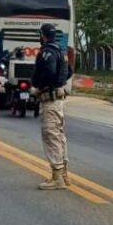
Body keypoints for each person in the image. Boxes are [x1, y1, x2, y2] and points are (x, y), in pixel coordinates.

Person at [31, 23, 73, 190]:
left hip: (50, 99)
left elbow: (48, 71)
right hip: (59, 98)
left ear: (43, 35)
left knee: (51, 135)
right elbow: (68, 72)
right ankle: (63, 173)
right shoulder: (61, 50)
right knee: (59, 135)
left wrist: (40, 86)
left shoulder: (47, 52)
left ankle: (57, 177)